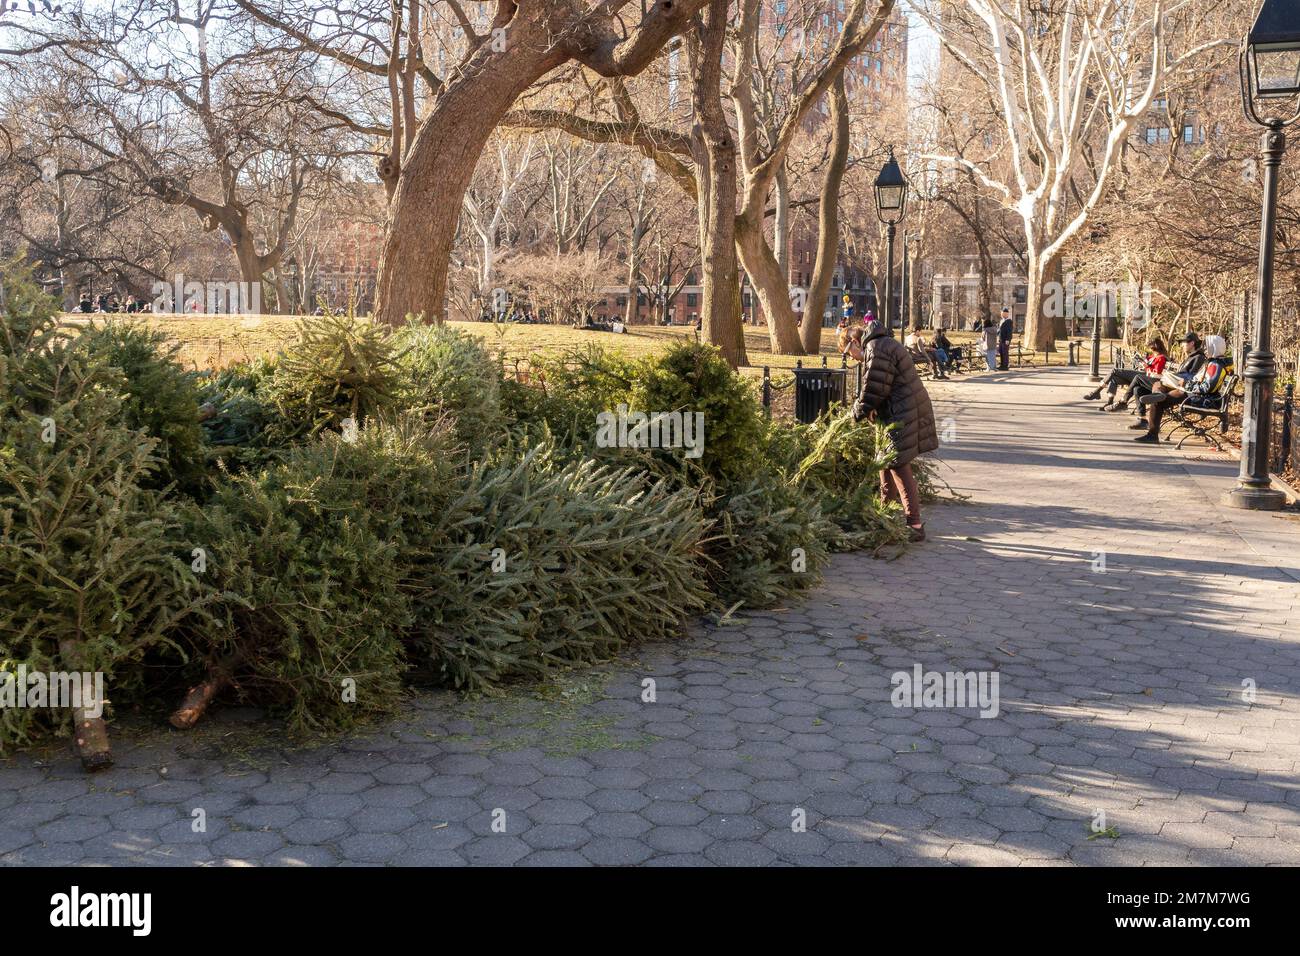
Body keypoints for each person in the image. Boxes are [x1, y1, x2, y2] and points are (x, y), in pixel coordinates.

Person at [846, 320, 938, 542]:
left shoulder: (876, 348)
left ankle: (914, 524)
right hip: (901, 409)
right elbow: (881, 385)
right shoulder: (881, 344)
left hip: (902, 413)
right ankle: (883, 512)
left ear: (856, 342)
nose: (853, 359)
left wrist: (855, 413)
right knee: (885, 461)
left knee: (897, 464)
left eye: (851, 353)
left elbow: (874, 389)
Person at [1133, 336, 1231, 443]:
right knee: (1160, 384)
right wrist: (1186, 383)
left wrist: (1187, 385)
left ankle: (1152, 435)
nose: (1205, 350)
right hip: (1196, 393)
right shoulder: (1214, 362)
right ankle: (1158, 394)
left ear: (1214, 347)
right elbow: (1202, 382)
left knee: (1158, 401)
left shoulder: (1216, 365)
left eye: (1207, 347)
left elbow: (1206, 388)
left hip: (1202, 398)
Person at [1126, 333, 1207, 427]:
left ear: (1192, 343)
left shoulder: (1198, 357)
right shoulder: (1191, 356)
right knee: (1138, 389)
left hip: (1179, 386)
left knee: (1139, 378)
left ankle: (1124, 401)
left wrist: (1173, 376)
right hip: (1172, 383)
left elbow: (1190, 376)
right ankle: (1143, 420)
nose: (1182, 345)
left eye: (1184, 342)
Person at [1084, 336, 1168, 411]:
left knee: (1114, 371)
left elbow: (1156, 373)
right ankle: (1109, 402)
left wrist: (1146, 366)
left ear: (1156, 348)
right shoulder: (1153, 356)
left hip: (1144, 377)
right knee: (1113, 378)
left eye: (1152, 349)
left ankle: (1096, 392)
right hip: (1141, 374)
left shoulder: (1161, 358)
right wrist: (1141, 362)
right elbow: (1147, 364)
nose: (1151, 351)